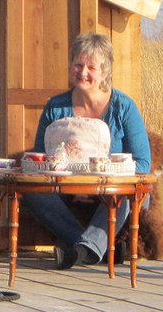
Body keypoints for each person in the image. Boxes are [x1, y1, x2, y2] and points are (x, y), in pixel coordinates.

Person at [22, 32, 151, 270]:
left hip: (113, 191)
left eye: (91, 67)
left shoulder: (124, 107)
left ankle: (80, 251)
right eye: (78, 65)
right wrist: (72, 189)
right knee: (31, 193)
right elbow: (40, 160)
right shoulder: (55, 107)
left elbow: (143, 163)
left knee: (124, 196)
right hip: (65, 189)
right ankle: (93, 250)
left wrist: (99, 184)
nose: (83, 72)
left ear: (105, 72)